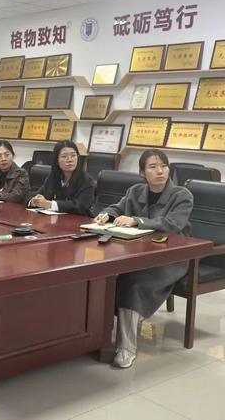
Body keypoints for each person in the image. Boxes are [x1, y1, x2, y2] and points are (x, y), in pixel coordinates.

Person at [93, 149, 193, 369]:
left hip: (170, 258)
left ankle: (126, 347)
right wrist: (106, 214)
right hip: (138, 255)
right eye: (153, 167)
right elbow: (117, 208)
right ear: (142, 172)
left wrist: (137, 220)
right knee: (106, 278)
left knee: (133, 283)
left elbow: (172, 224)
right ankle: (98, 336)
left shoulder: (182, 195)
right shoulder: (135, 191)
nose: (160, 171)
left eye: (163, 166)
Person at [27, 140, 94, 216]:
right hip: (55, 220)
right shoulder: (53, 178)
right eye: (64, 156)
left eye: (73, 155)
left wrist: (50, 204)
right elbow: (36, 195)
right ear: (56, 161)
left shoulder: (87, 181)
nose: (70, 160)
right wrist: (34, 201)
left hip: (78, 221)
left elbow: (80, 206)